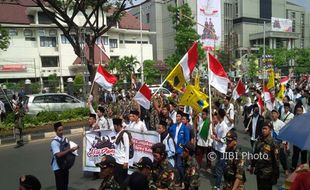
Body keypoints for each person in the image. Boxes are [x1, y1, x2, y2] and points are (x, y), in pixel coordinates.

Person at [250, 121, 279, 190]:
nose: (264, 130)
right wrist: (252, 166)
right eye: (263, 128)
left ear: (270, 130)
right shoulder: (259, 140)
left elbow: (276, 161)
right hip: (259, 171)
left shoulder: (273, 143)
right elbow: (255, 154)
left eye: (266, 129)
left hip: (268, 173)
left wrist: (275, 176)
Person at [51, 122, 79, 190]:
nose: (61, 132)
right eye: (59, 130)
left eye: (62, 130)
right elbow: (58, 155)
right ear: (55, 131)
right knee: (60, 187)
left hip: (65, 165)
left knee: (65, 184)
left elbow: (68, 149)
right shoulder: (54, 142)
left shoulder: (65, 139)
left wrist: (75, 148)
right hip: (58, 167)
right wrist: (70, 150)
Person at [169, 111, 190, 186]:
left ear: (181, 118)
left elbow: (187, 140)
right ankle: (176, 180)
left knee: (179, 165)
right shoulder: (173, 126)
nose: (177, 118)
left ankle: (183, 181)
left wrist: (182, 149)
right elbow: (168, 132)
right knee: (173, 166)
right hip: (173, 150)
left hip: (180, 150)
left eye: (179, 117)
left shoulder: (185, 128)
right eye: (176, 116)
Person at [212, 108, 230, 190]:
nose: (216, 115)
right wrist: (212, 125)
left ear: (220, 115)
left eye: (217, 114)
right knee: (219, 167)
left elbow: (224, 140)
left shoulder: (224, 126)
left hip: (222, 150)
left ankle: (217, 186)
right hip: (217, 149)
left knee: (219, 168)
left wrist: (215, 138)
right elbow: (215, 132)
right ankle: (224, 181)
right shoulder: (219, 124)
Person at [113, 118, 130, 189]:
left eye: (114, 126)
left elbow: (127, 148)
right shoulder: (118, 134)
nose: (114, 127)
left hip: (122, 162)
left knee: (122, 181)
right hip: (117, 160)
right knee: (118, 179)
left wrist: (126, 162)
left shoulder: (124, 134)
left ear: (117, 126)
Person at [271, 109, 289, 176]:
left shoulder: (281, 123)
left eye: (275, 113)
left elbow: (285, 133)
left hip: (279, 142)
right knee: (273, 156)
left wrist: (283, 143)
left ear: (278, 115)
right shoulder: (270, 122)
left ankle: (286, 169)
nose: (273, 115)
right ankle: (275, 169)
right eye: (272, 113)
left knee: (282, 157)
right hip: (272, 142)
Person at [291, 105, 308, 171]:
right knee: (295, 154)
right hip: (296, 140)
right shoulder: (294, 119)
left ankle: (304, 168)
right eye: (297, 111)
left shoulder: (306, 119)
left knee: (304, 155)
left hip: (304, 140)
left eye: (300, 111)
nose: (299, 112)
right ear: (296, 111)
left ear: (302, 111)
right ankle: (293, 167)